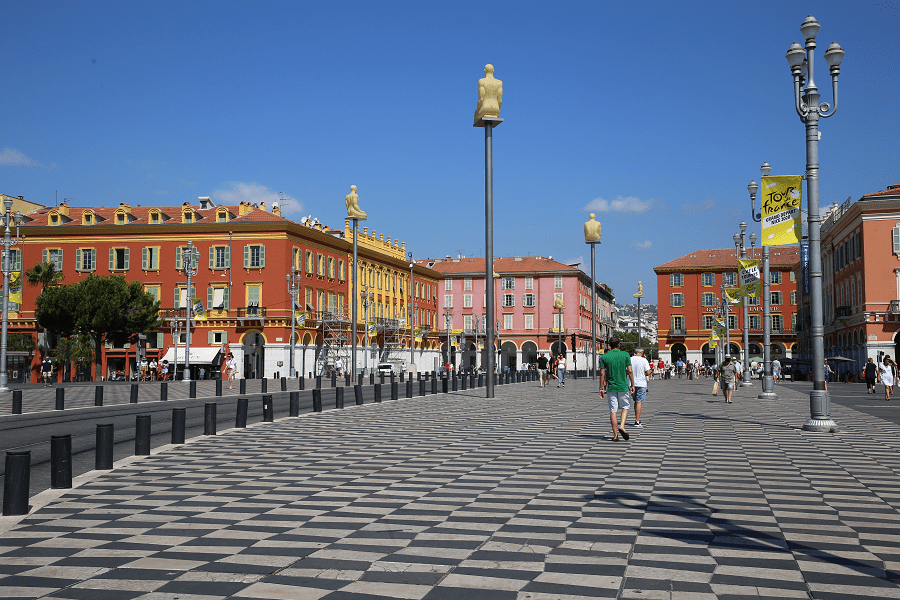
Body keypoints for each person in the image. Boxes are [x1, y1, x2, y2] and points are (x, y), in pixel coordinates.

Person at [599, 337, 635, 442]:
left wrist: (601, 388)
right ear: (619, 344)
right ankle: (622, 426)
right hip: (623, 386)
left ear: (609, 345)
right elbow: (630, 371)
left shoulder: (604, 357)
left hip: (611, 387)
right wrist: (632, 385)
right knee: (625, 406)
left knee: (613, 410)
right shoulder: (625, 355)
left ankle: (615, 436)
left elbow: (602, 373)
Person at [630, 347, 651, 428]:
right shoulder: (644, 360)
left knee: (635, 401)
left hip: (632, 383)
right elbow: (648, 372)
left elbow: (627, 371)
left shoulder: (630, 359)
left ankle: (636, 418)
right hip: (641, 383)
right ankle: (637, 421)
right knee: (639, 402)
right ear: (642, 353)